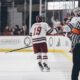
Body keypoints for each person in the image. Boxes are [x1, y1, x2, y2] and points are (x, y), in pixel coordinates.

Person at [63, 7, 80, 80]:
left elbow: (66, 29)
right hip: (76, 44)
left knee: (76, 64)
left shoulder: (75, 19)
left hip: (77, 45)